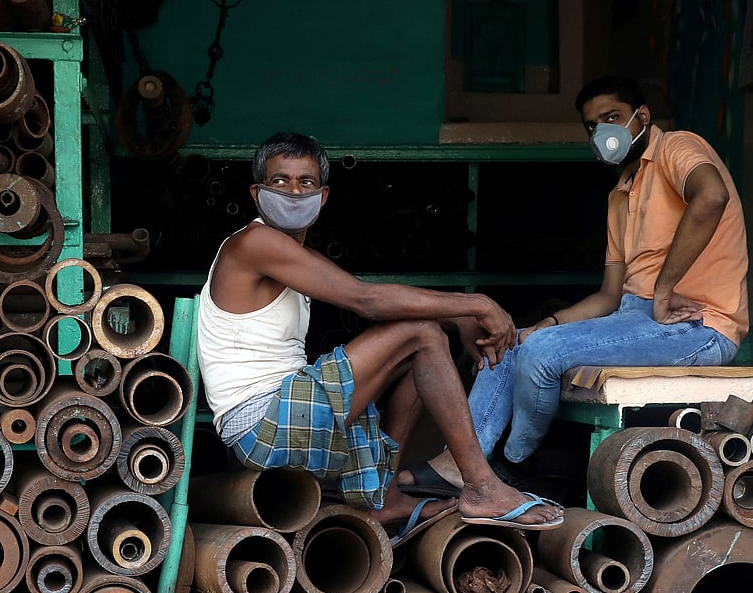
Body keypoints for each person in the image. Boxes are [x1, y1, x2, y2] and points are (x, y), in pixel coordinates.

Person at [196, 132, 564, 540]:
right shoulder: (254, 242)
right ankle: (482, 487)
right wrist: (475, 304)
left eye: (306, 182)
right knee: (421, 334)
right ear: (256, 192)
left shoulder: (290, 255)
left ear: (323, 197)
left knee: (421, 343)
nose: (293, 192)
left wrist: (456, 317)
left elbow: (375, 294)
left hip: (277, 419)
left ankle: (386, 498)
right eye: (279, 181)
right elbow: (366, 300)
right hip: (263, 424)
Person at [398, 75, 749, 498]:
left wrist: (663, 289)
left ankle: (513, 465)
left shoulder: (676, 146)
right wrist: (547, 321)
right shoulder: (621, 193)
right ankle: (461, 461)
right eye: (592, 125)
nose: (603, 131)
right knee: (512, 342)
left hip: (698, 325)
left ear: (643, 116)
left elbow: (710, 196)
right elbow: (609, 295)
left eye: (612, 117)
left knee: (542, 354)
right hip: (635, 318)